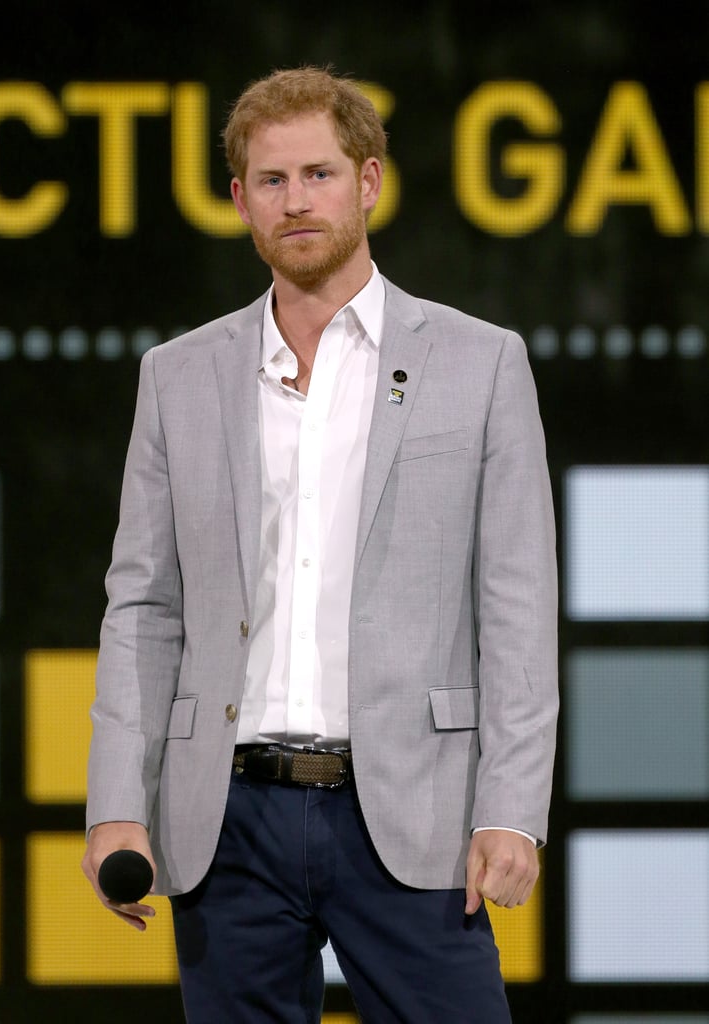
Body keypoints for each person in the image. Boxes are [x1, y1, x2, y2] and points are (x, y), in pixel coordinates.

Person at [82, 65, 559, 1023]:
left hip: (413, 806)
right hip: (228, 816)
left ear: (369, 181)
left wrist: (512, 806)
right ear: (239, 201)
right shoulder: (177, 376)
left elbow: (516, 602)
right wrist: (113, 806)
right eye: (271, 180)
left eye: (320, 174)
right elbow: (143, 604)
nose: (296, 201)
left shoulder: (480, 362)